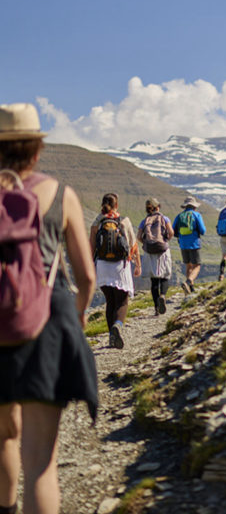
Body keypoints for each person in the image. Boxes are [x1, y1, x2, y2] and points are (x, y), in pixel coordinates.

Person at [0, 103, 97, 514]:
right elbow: (87, 276)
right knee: (41, 462)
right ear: (37, 149)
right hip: (47, 323)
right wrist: (74, 317)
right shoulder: (60, 194)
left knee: (4, 436)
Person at [90, 193, 141, 349]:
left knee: (110, 302)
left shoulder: (96, 223)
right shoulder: (124, 221)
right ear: (116, 205)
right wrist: (138, 264)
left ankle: (112, 338)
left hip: (103, 266)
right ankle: (118, 326)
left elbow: (91, 247)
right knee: (123, 301)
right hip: (120, 266)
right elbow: (133, 245)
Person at [137, 198, 174, 315]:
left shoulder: (144, 221)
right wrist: (165, 240)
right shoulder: (164, 218)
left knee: (154, 280)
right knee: (165, 276)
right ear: (158, 207)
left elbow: (138, 236)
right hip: (163, 249)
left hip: (149, 251)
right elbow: (171, 232)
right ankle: (163, 295)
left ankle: (156, 308)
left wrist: (146, 243)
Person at [172, 196, 206, 294]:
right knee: (197, 266)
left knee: (188, 266)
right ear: (194, 206)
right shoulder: (196, 215)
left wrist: (181, 236)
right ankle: (188, 282)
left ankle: (190, 289)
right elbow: (203, 230)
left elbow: (173, 231)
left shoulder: (179, 216)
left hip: (183, 244)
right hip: (194, 243)